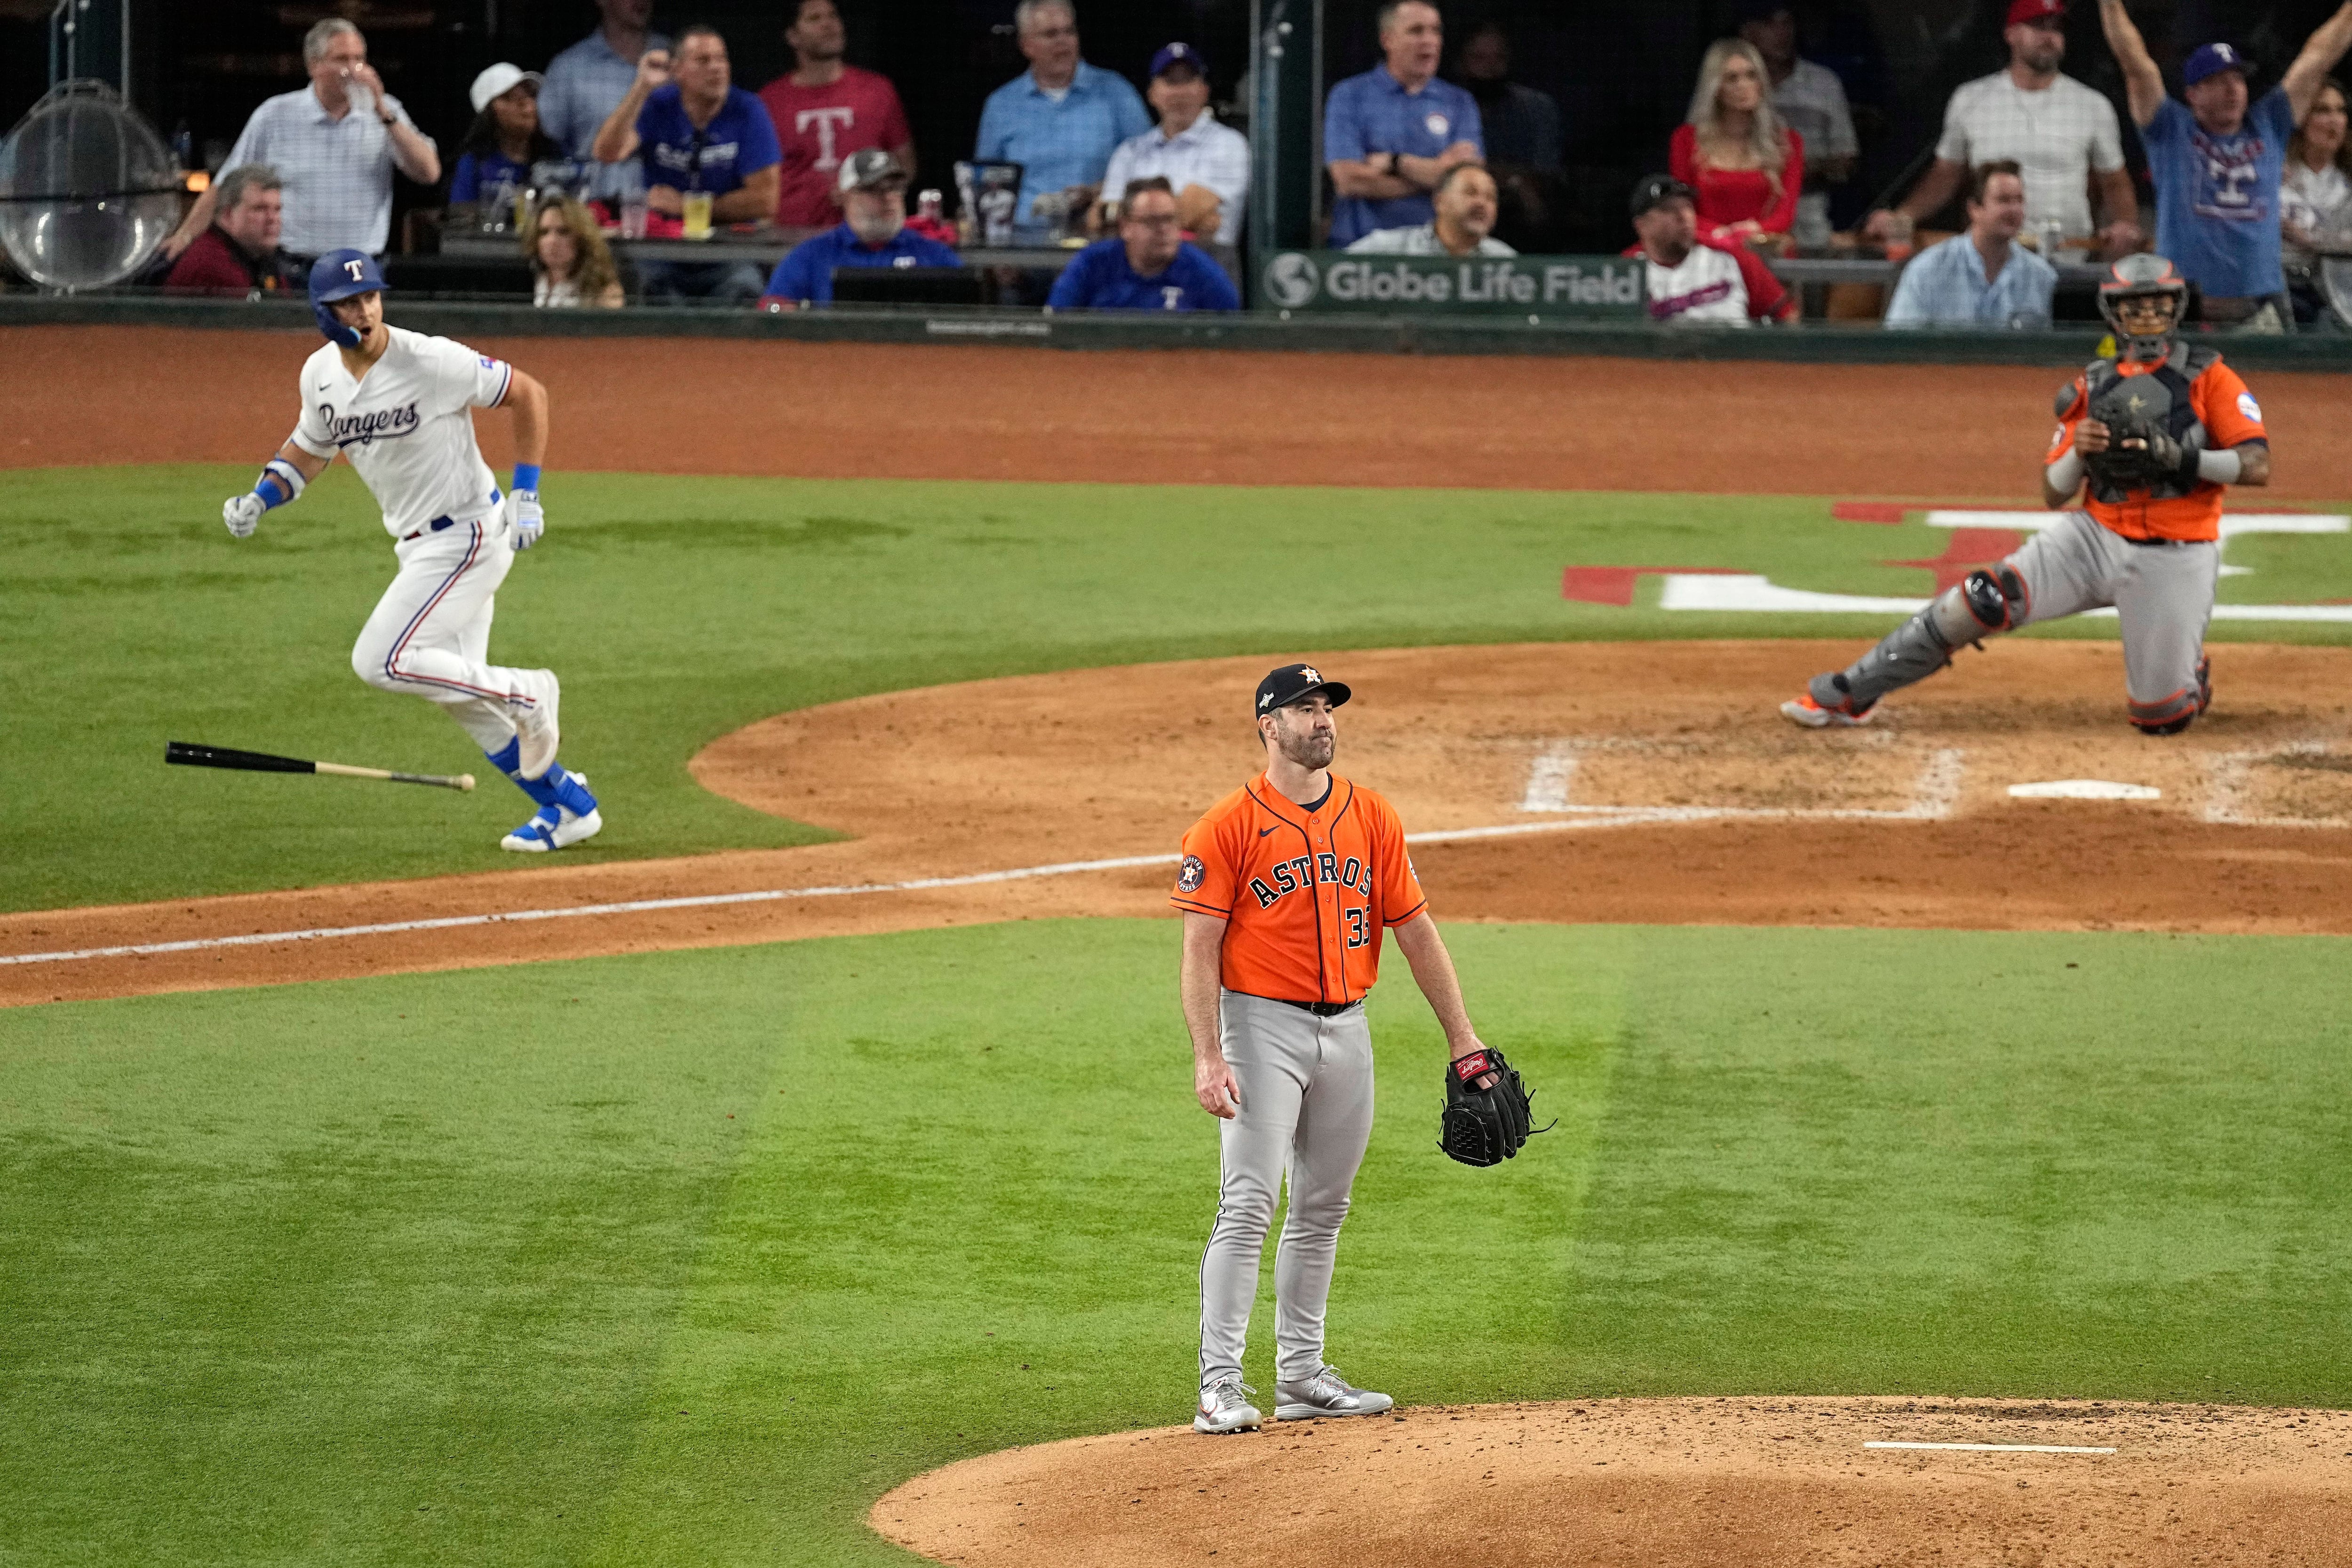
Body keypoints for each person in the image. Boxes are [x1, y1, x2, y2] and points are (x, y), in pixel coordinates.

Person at [1176, 663, 1502, 1435]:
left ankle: (1301, 1374)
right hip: (1259, 1028)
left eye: (1326, 707)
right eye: (1304, 708)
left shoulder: (1373, 817)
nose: (1321, 719)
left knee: (1323, 1204)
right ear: (1269, 726)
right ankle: (1219, 1383)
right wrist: (1207, 1054)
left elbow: (1416, 928)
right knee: (1250, 1201)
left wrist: (1464, 1038)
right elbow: (1199, 949)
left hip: (1349, 1027)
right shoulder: (1225, 825)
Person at [1783, 254, 2272, 736]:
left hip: (2175, 552)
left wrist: (2183, 459)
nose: (2146, 313)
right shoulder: (2090, 386)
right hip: (2092, 537)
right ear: (2113, 312)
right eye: (2134, 304)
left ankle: (2188, 677)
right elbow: (2053, 494)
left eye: (2158, 303)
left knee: (2159, 718)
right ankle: (1850, 691)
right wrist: (2077, 452)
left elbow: (2256, 464)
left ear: (2175, 307)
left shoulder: (2211, 377)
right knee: (1981, 599)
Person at [217, 251, 603, 854]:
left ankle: (529, 693)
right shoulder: (319, 375)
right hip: (418, 547)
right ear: (324, 314)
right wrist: (261, 497)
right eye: (350, 303)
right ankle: (568, 807)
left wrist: (527, 492)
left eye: (371, 297)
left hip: (470, 535)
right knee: (459, 696)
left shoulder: (429, 359)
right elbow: (311, 447)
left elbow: (529, 394)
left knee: (380, 659)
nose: (366, 310)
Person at [2101, 0, 2352, 328]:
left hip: (2260, 309)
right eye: (2218, 81)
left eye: (2238, 79)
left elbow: (2318, 58)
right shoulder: (2170, 130)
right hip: (2185, 310)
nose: (2233, 89)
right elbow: (2135, 64)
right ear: (2193, 94)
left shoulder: (2270, 123)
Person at [1868, 0, 2137, 261]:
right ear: (2011, 34)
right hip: (1992, 261)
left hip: (2067, 259)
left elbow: (2114, 181)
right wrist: (1903, 217)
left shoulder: (2092, 104)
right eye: (2038, 27)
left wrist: (2125, 225)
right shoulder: (1971, 99)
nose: (2050, 37)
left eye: (2056, 28)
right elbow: (1946, 175)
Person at [163, 20, 440, 267]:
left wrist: (382, 112)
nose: (354, 71)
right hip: (292, 265)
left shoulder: (387, 113)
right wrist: (185, 236)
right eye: (342, 60)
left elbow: (429, 173)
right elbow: (225, 185)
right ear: (314, 66)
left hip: (360, 268)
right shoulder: (275, 115)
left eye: (359, 59)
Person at [593, 26, 783, 301]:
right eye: (704, 61)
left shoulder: (748, 109)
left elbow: (765, 201)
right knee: (643, 286)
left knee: (746, 286)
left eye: (721, 59)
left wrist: (686, 206)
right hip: (663, 250)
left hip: (729, 251)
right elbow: (607, 153)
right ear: (678, 70)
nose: (717, 68)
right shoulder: (659, 104)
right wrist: (642, 87)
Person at [973, 1, 1152, 240]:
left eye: (1069, 32)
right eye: (1051, 34)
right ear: (1027, 46)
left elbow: (1149, 168)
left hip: (1099, 239)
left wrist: (1098, 191)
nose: (1063, 42)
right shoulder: (1001, 104)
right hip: (1021, 244)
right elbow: (987, 186)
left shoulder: (1116, 93)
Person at [1323, 1, 1484, 247]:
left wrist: (1394, 163)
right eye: (1416, 31)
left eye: (1436, 31)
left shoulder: (1460, 102)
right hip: (1361, 250)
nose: (1429, 40)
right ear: (1388, 40)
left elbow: (1467, 180)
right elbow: (1349, 181)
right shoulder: (1349, 95)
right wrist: (1436, 179)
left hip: (1439, 250)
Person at [757, 0, 916, 231]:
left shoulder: (877, 91)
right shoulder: (769, 101)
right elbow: (759, 180)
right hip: (793, 237)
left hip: (866, 234)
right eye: (815, 19)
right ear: (793, 37)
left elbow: (905, 164)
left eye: (833, 16)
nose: (828, 24)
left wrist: (871, 191)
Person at [760, 150, 960, 308]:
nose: (888, 197)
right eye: (873, 189)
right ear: (844, 196)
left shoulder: (932, 253)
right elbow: (771, 308)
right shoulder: (813, 255)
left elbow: (970, 314)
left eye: (894, 188)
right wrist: (786, 314)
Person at [1098, 44, 1250, 247]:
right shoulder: (1131, 150)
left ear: (1205, 91)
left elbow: (1191, 211)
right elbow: (1103, 219)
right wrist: (1190, 220)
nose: (1180, 91)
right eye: (1170, 81)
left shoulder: (1230, 144)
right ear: (1152, 94)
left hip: (1206, 264)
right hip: (1136, 267)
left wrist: (1128, 215)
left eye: (1188, 80)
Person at [1737, 1, 1857, 246]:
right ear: (1747, 32)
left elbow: (1847, 161)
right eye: (1770, 24)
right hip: (1745, 227)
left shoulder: (1825, 83)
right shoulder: (1731, 86)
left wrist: (1787, 171)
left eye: (1787, 23)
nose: (1782, 33)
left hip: (1811, 228)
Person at [1883, 160, 2057, 328]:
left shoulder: (2040, 276)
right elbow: (1900, 347)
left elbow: (2047, 353)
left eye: (2019, 200)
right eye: (2003, 200)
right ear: (1975, 209)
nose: (2014, 210)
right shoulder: (1927, 270)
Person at [1672, 39, 1804, 251]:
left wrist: (1753, 231)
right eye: (1732, 79)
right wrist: (1720, 235)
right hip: (1708, 248)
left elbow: (1785, 215)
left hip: (1765, 248)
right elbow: (1683, 209)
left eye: (1752, 76)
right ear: (1715, 87)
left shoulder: (1788, 142)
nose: (1743, 86)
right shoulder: (1686, 140)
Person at [1621, 172, 1794, 325]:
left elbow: (1788, 318)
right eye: (1669, 210)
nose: (1684, 216)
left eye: (1688, 207)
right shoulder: (1625, 274)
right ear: (1641, 225)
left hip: (1733, 358)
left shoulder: (1732, 258)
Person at [540, 0, 670, 202]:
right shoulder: (569, 69)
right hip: (591, 209)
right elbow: (546, 150)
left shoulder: (678, 61)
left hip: (668, 213)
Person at [1046, 177, 1240, 310]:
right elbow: (1056, 320)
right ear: (1125, 227)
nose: (1164, 229)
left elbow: (1233, 332)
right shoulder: (1093, 262)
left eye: (1171, 220)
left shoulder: (1201, 270)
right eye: (1152, 221)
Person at [448, 64, 561, 216]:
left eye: (529, 95)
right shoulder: (473, 164)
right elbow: (460, 223)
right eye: (508, 97)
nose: (526, 104)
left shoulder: (558, 157)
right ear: (488, 114)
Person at [164, 165, 294, 296]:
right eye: (259, 209)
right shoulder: (213, 267)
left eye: (277, 209)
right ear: (228, 215)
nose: (272, 219)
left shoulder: (259, 259)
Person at [2283, 77, 2352, 323]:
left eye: (2341, 111)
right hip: (2283, 290)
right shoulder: (2275, 174)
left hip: (2341, 293)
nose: (2335, 120)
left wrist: (2312, 241)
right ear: (2302, 119)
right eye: (2323, 110)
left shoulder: (2348, 180)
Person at [1344, 162, 1514, 255]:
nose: (1482, 203)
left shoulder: (1506, 260)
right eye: (1470, 192)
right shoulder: (1388, 250)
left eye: (1491, 198)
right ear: (1440, 202)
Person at [526, 195, 626, 307]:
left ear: (582, 238)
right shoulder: (536, 280)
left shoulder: (604, 291)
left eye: (563, 232)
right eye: (544, 232)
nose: (552, 241)